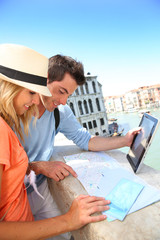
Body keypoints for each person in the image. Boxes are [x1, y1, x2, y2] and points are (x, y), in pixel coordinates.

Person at [22, 54, 141, 240]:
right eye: (61, 91)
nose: (63, 101)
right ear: (45, 80)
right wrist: (38, 166)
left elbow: (85, 139)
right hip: (12, 195)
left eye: (68, 95)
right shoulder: (15, 108)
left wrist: (124, 141)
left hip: (40, 188)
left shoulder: (60, 112)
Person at [0, 44, 110, 240]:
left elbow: (85, 139)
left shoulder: (47, 115)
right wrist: (69, 220)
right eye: (32, 92)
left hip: (30, 196)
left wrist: (126, 140)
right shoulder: (5, 125)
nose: (35, 101)